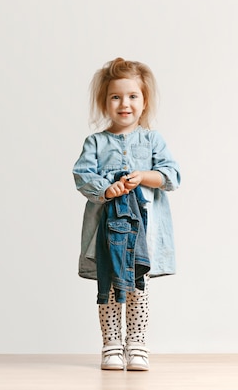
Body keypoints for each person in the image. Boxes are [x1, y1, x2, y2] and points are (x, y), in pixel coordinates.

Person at [73, 57, 181, 371]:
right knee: (107, 286)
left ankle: (136, 345)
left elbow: (171, 176)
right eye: (116, 97)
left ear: (144, 101)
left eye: (133, 96)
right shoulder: (96, 142)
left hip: (142, 234)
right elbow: (82, 176)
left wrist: (142, 176)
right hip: (107, 234)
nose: (125, 104)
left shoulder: (152, 140)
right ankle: (110, 345)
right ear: (105, 102)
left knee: (136, 286)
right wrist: (108, 190)